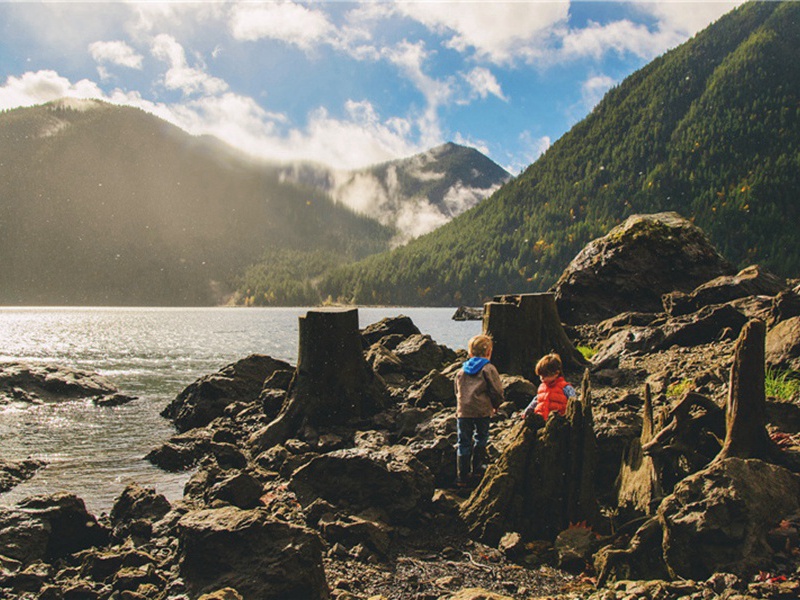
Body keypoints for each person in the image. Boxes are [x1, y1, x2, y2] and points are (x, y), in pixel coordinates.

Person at [455, 334, 504, 487]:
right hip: (482, 410)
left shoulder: (461, 371)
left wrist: (461, 405)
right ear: (489, 352)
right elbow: (496, 390)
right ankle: (477, 468)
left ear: (470, 353)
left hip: (464, 411)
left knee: (463, 441)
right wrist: (496, 405)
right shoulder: (488, 369)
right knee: (481, 436)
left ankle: (462, 475)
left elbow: (457, 390)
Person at [523, 353, 577, 420]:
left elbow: (574, 401)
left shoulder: (565, 387)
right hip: (541, 419)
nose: (542, 378)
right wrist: (528, 410)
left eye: (545, 375)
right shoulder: (542, 387)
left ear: (556, 373)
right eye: (540, 376)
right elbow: (537, 400)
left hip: (558, 421)